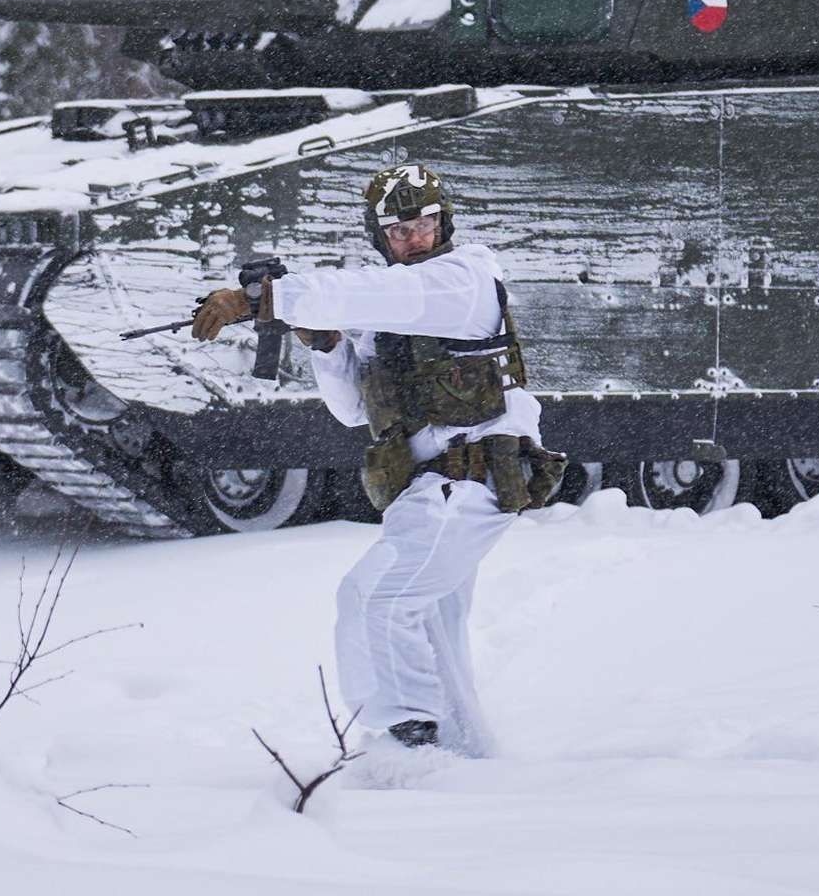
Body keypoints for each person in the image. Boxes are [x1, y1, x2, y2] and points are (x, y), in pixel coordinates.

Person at [191, 163, 561, 754]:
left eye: (425, 222)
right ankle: (464, 751)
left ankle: (411, 738)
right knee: (392, 612)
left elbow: (386, 293)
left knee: (386, 603)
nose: (414, 237)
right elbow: (352, 408)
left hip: (471, 478)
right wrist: (327, 342)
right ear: (379, 236)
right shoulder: (387, 309)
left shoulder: (463, 277)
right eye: (398, 229)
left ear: (444, 223)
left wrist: (268, 297)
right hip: (425, 491)